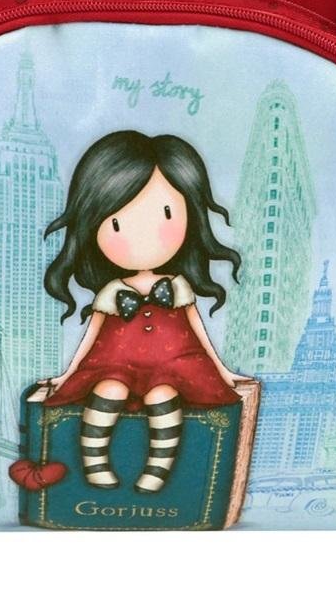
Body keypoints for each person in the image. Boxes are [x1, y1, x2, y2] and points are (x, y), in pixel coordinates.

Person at [39, 130, 249, 493]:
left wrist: (222, 369)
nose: (143, 238)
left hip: (174, 365)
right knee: (108, 392)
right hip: (114, 364)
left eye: (167, 214)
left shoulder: (177, 286)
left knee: (164, 397)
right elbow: (91, 337)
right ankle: (94, 464)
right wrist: (69, 374)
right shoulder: (112, 291)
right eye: (117, 223)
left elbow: (198, 330)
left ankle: (157, 471)